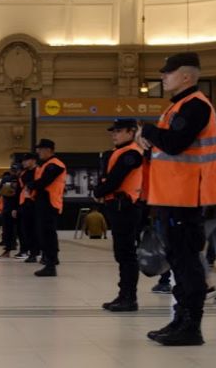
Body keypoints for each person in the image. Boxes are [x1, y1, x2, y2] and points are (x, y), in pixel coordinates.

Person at [136, 52, 216, 346]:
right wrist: (150, 140)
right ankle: (180, 320)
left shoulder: (195, 106)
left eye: (168, 72)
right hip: (172, 196)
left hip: (187, 197)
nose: (163, 76)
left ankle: (191, 326)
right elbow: (167, 148)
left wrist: (148, 131)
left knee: (187, 262)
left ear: (186, 76)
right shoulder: (177, 108)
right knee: (178, 258)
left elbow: (174, 143)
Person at [92, 118, 144, 312]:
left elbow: (114, 179)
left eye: (119, 131)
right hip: (119, 206)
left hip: (126, 207)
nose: (114, 134)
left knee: (126, 254)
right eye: (113, 131)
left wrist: (98, 192)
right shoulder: (122, 152)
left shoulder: (131, 153)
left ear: (131, 132)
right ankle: (124, 295)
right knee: (122, 253)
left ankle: (129, 298)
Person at [28, 139, 66, 277]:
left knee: (48, 234)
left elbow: (44, 182)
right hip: (43, 202)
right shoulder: (45, 165)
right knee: (44, 233)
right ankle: (49, 260)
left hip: (50, 203)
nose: (38, 152)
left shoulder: (55, 165)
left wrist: (31, 185)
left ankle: (50, 264)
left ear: (49, 150)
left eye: (40, 149)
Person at [15, 153, 40, 262]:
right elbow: (19, 191)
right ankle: (32, 253)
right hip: (24, 204)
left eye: (26, 160)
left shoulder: (39, 171)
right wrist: (16, 207)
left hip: (36, 204)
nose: (24, 163)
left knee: (37, 230)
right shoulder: (23, 174)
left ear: (33, 160)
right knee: (27, 230)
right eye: (23, 161)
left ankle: (39, 252)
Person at [0, 165, 21, 257]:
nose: (14, 173)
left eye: (16, 171)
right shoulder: (6, 179)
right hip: (7, 208)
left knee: (21, 230)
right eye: (13, 170)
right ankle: (7, 249)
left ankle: (24, 250)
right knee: (7, 230)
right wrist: (7, 189)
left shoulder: (21, 179)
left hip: (19, 208)